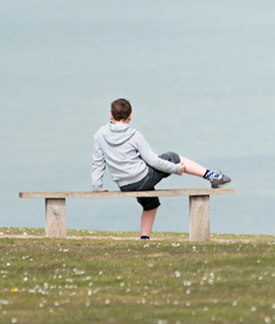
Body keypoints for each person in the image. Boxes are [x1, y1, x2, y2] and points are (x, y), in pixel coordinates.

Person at [90, 98, 231, 239]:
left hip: (125, 185)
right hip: (143, 178)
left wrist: (97, 187)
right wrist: (176, 169)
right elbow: (153, 161)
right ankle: (211, 175)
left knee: (151, 203)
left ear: (111, 115)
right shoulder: (134, 135)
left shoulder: (99, 135)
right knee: (172, 156)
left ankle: (144, 239)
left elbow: (98, 163)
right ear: (130, 116)